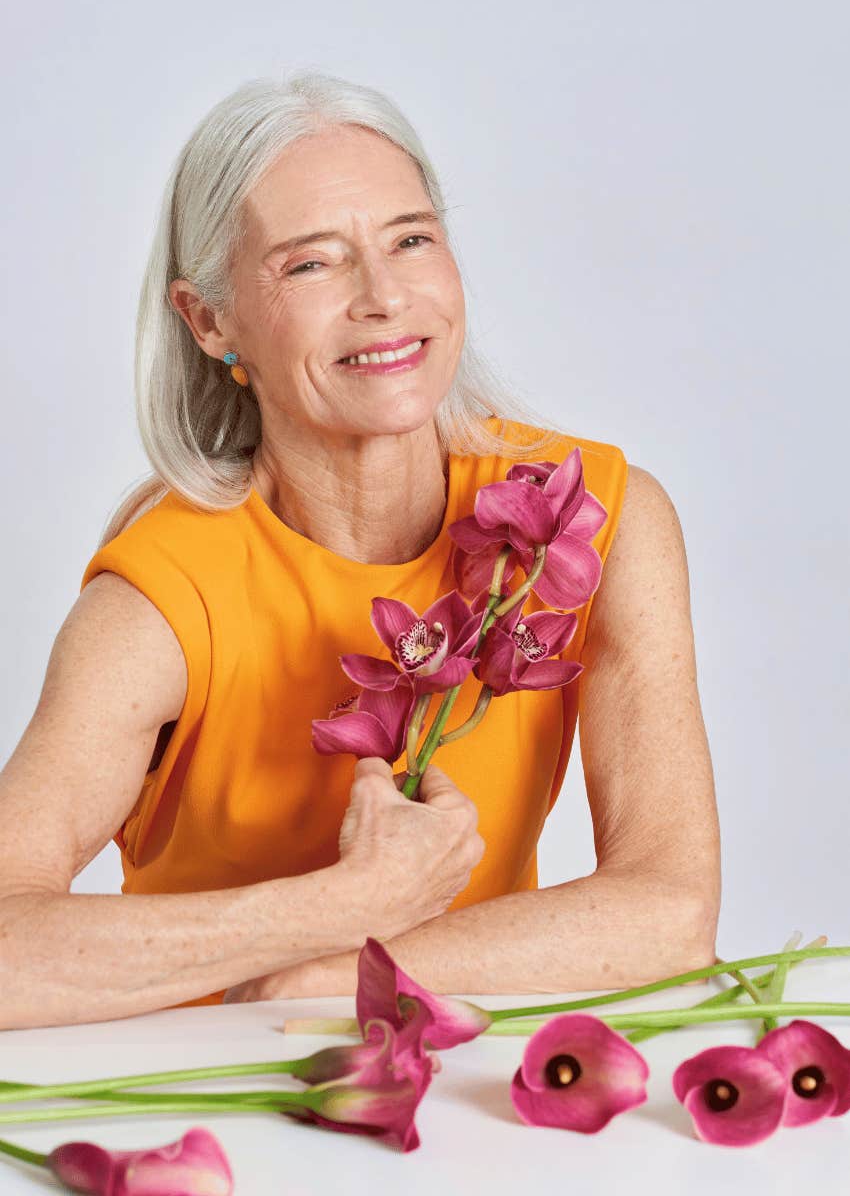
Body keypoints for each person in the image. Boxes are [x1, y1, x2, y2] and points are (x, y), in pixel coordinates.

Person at [0, 71, 720, 1029]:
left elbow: (672, 913)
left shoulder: (592, 519)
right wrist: (336, 910)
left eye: (411, 240)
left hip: (464, 1087)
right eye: (311, 264)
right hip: (214, 1081)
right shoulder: (163, 598)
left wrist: (345, 972)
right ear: (209, 320)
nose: (384, 297)